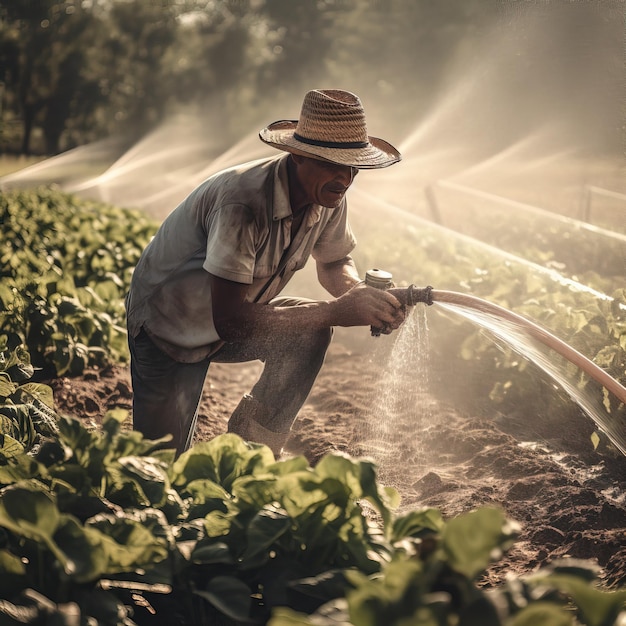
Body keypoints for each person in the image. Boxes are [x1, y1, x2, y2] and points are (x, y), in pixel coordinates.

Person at [125, 88, 405, 456]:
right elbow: (230, 321)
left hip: (235, 319)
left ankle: (252, 450)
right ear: (298, 156)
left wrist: (358, 295)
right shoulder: (243, 203)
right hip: (169, 328)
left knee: (308, 336)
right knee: (160, 468)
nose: (346, 177)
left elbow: (334, 262)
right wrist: (338, 312)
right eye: (333, 163)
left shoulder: (328, 194)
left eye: (353, 165)